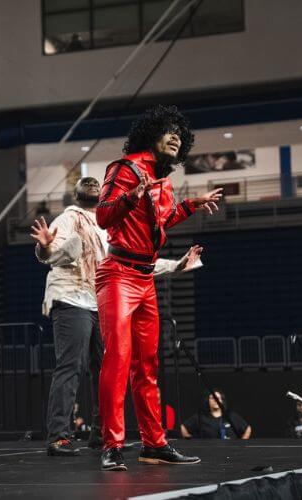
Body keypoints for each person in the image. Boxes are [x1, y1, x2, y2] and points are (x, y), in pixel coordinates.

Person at [31, 177, 202, 457]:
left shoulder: (113, 223)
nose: (90, 183)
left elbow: (136, 262)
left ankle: (103, 434)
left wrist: (178, 265)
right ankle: (59, 436)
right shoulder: (68, 218)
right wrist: (45, 248)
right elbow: (49, 252)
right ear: (77, 195)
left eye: (95, 182)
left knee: (110, 368)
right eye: (85, 183)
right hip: (71, 298)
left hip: (103, 300)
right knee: (72, 365)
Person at [95, 104, 223, 471]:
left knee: (147, 367)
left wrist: (190, 206)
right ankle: (112, 445)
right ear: (151, 134)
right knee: (117, 360)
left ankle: (154, 444)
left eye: (180, 135)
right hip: (118, 273)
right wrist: (131, 196)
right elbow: (104, 216)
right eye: (169, 130)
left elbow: (161, 221)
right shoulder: (124, 169)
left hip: (145, 278)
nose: (175, 137)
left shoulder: (163, 181)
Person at [180, 390, 252, 440]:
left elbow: (248, 428)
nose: (215, 400)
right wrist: (189, 439)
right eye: (212, 398)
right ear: (208, 401)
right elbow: (183, 427)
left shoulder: (231, 416)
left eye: (218, 398)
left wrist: (243, 443)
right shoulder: (201, 417)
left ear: (222, 400)